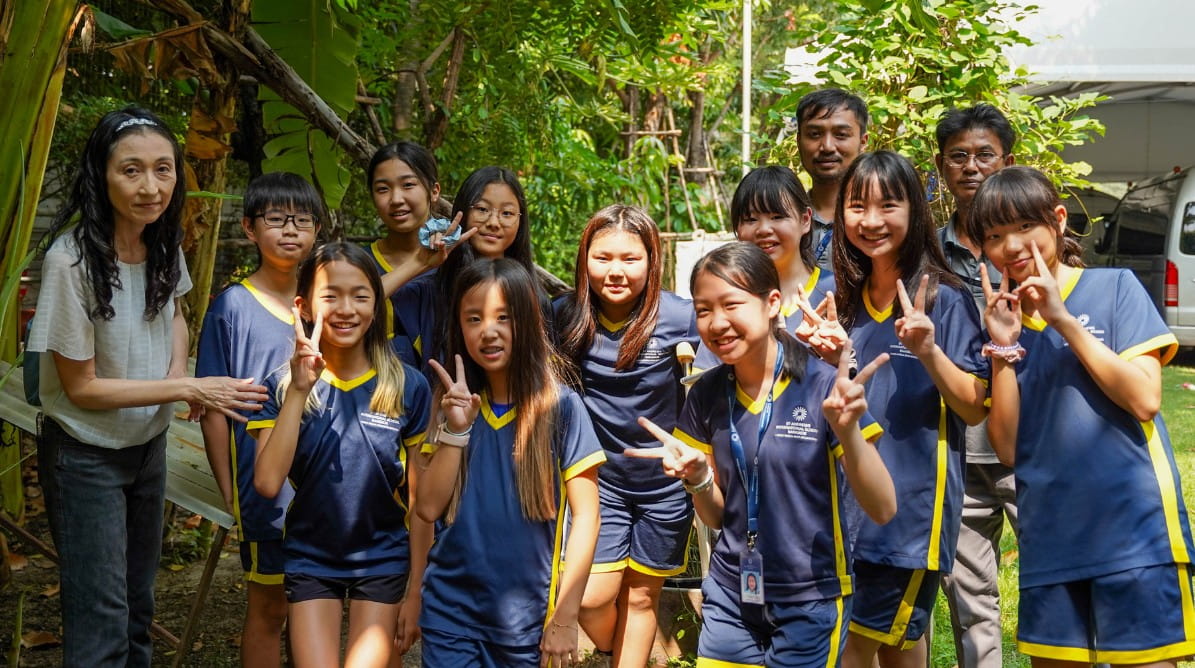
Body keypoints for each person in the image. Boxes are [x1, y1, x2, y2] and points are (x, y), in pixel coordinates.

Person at [27, 107, 269, 667]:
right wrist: (189, 387)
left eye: (163, 170)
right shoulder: (71, 261)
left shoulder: (163, 242)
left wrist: (176, 375)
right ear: (101, 174)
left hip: (147, 452)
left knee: (139, 610)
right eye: (131, 171)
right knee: (102, 624)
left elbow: (175, 311)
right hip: (84, 455)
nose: (150, 187)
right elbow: (81, 388)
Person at [629, 242, 896, 667]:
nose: (717, 323)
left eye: (731, 304)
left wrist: (847, 431)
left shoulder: (824, 386)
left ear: (772, 303)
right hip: (730, 596)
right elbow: (717, 518)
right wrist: (698, 479)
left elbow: (882, 507)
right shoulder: (706, 395)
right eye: (703, 310)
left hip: (811, 598)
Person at [970, 166, 1195, 666]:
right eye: (994, 235)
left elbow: (1144, 399)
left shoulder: (1115, 287)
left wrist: (1062, 320)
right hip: (1050, 536)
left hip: (1136, 533)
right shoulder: (1002, 320)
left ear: (1057, 220)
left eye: (1024, 226)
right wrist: (1004, 349)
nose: (1011, 245)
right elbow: (1006, 447)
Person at [829, 151, 988, 668]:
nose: (870, 221)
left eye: (887, 205)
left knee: (849, 651)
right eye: (857, 206)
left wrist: (928, 351)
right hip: (844, 515)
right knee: (899, 649)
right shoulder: (844, 299)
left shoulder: (944, 298)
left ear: (915, 210)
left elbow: (973, 408)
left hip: (907, 523)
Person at [415, 258, 604, 668]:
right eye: (474, 318)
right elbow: (428, 508)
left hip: (528, 626)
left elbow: (588, 518)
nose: (489, 331)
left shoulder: (562, 407)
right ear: (459, 328)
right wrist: (455, 430)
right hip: (450, 618)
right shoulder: (448, 405)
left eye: (504, 317)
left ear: (530, 322)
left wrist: (566, 616)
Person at [251, 242, 432, 668]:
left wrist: (416, 591)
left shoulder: (407, 386)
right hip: (311, 556)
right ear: (305, 306)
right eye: (331, 296)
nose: (346, 308)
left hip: (383, 557)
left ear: (377, 303)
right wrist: (299, 390)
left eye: (360, 295)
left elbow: (422, 506)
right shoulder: (281, 386)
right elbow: (266, 482)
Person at [554, 205, 699, 667]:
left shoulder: (683, 316)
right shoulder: (564, 317)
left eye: (630, 259)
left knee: (641, 598)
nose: (615, 271)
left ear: (652, 261)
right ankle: (613, 652)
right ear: (585, 260)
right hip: (600, 485)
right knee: (592, 599)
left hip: (667, 486)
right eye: (603, 257)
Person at [196, 171, 322, 667]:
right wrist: (231, 493)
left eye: (303, 220)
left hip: (324, 489)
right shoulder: (231, 309)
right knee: (269, 610)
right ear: (250, 228)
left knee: (316, 607)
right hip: (265, 497)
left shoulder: (325, 305)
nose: (290, 230)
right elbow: (211, 408)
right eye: (276, 219)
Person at [933, 103, 1018, 668]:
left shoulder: (1031, 248)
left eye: (984, 154)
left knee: (1060, 579)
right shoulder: (924, 251)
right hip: (954, 445)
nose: (971, 166)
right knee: (969, 600)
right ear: (941, 168)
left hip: (1028, 443)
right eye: (958, 156)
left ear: (1006, 161)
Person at [401, 165, 546, 370]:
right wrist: (420, 262)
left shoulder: (535, 298)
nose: (494, 222)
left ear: (520, 221)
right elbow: (363, 308)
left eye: (507, 213)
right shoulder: (428, 291)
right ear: (462, 212)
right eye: (482, 209)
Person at [364, 141, 469, 366]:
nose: (396, 199)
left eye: (408, 185)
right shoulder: (358, 265)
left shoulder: (462, 260)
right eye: (383, 189)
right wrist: (419, 263)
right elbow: (348, 308)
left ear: (434, 191)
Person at [795, 88, 870, 272]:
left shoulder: (879, 222)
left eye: (841, 135)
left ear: (863, 142)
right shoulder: (783, 219)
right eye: (814, 134)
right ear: (798, 140)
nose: (827, 147)